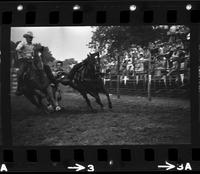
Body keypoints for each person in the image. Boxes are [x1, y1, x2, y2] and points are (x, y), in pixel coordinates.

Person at [15, 31, 35, 96]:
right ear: (26, 37)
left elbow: (33, 54)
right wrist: (24, 54)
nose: (30, 38)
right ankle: (18, 89)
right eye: (29, 37)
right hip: (23, 60)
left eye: (31, 37)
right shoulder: (22, 43)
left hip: (30, 61)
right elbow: (17, 49)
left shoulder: (32, 46)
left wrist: (32, 57)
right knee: (20, 73)